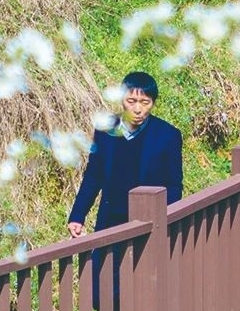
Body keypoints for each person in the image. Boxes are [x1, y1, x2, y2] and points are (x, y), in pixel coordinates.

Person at [68, 72, 183, 236]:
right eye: (131, 101)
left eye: (145, 102)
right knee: (102, 262)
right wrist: (78, 216)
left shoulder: (167, 136)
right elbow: (94, 176)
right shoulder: (105, 130)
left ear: (153, 103)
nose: (138, 109)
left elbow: (173, 186)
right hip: (109, 221)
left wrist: (166, 223)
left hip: (148, 223)